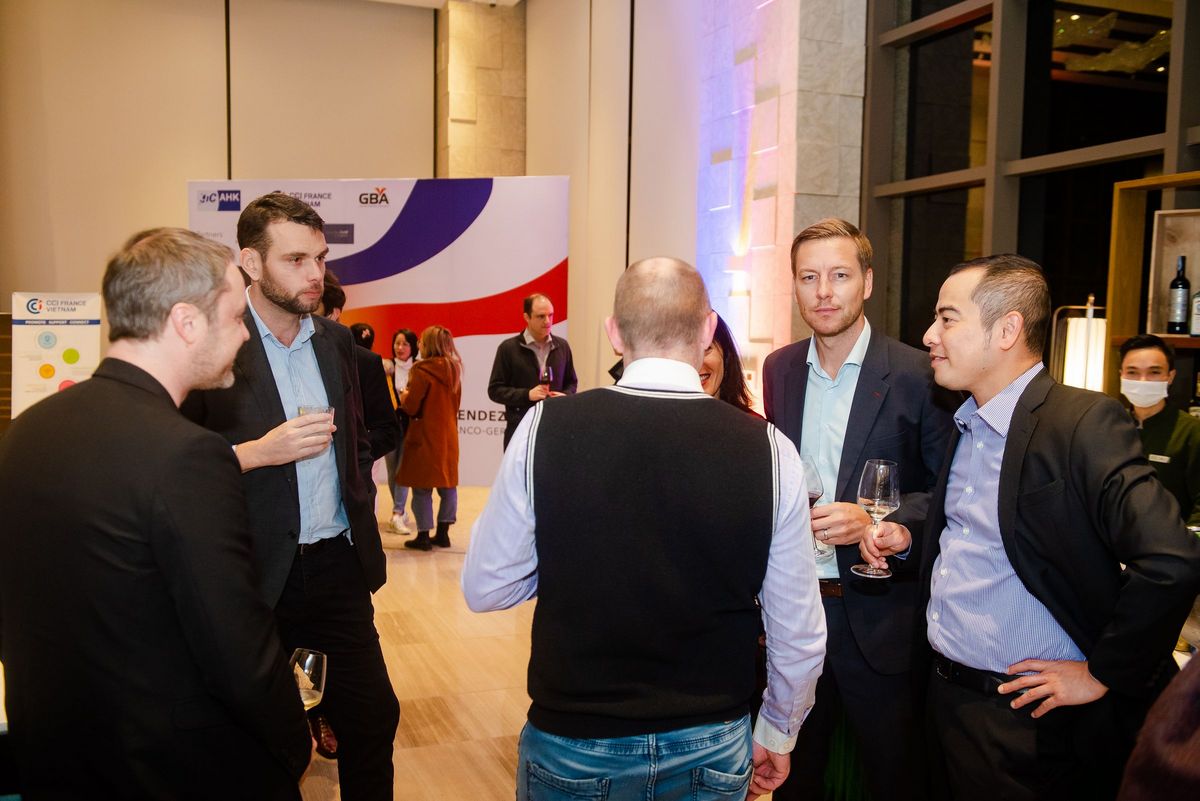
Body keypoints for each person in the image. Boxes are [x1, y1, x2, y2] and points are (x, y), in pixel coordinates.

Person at [463, 257, 827, 800]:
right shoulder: (770, 448)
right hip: (712, 737)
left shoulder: (546, 427)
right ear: (707, 330)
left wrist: (571, 562)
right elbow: (797, 628)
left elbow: (486, 587)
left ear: (613, 333)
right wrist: (778, 729)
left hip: (576, 738)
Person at [0, 228, 311, 798]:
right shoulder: (188, 455)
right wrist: (293, 744)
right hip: (166, 768)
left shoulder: (25, 432)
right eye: (236, 318)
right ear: (186, 323)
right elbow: (236, 645)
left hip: (51, 754)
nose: (246, 335)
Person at [915, 254, 1200, 800]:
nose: (930, 335)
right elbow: (973, 527)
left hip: (1024, 723)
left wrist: (1103, 672)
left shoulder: (1081, 422)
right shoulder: (968, 422)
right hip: (946, 701)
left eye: (947, 318)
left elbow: (1171, 560)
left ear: (1007, 330)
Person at [182, 193, 400, 801]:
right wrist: (255, 452)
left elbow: (356, 440)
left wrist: (356, 499)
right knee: (261, 736)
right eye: (296, 260)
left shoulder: (335, 342)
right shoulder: (216, 346)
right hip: (251, 572)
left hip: (336, 566)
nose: (315, 274)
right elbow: (176, 466)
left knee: (372, 718)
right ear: (251, 263)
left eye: (320, 258)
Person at [761, 218, 954, 801]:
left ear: (867, 282)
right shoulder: (779, 368)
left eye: (840, 276)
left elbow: (948, 492)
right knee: (794, 779)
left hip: (880, 616)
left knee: (895, 779)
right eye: (809, 277)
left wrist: (877, 521)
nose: (824, 292)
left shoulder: (919, 375)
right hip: (797, 614)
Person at [1118, 334, 1200, 525]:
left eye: (1154, 372)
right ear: (1121, 374)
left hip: (1172, 539)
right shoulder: (1108, 426)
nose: (1143, 380)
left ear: (1170, 376)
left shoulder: (1191, 432)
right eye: (1132, 372)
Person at [319, 273, 398, 463]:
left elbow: (387, 432)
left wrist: (347, 454)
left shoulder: (363, 361)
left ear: (333, 313)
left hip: (349, 475)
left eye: (312, 308)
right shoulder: (284, 357)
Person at [397, 324, 462, 551]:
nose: (418, 345)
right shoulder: (454, 370)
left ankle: (423, 535)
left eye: (421, 341)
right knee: (448, 486)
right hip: (448, 436)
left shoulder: (420, 371)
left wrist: (404, 396)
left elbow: (412, 406)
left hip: (424, 436)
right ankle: (443, 533)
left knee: (421, 488)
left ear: (429, 345)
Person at [487, 293, 579, 448]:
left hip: (555, 429)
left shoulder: (562, 346)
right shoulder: (508, 349)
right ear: (526, 317)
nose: (547, 321)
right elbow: (495, 390)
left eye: (550, 315)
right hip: (521, 431)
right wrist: (527, 395)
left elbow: (571, 382)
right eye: (541, 316)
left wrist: (566, 396)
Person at [384, 327, 419, 535]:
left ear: (413, 346)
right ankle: (400, 511)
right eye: (397, 343)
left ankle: (397, 513)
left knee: (402, 470)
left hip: (410, 425)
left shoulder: (419, 367)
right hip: (389, 425)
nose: (400, 347)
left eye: (405, 343)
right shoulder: (386, 367)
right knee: (391, 471)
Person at [702, 312, 757, 414]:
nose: (697, 362)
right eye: (685, 352)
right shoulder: (670, 421)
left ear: (726, 353)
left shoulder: (751, 422)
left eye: (707, 349)